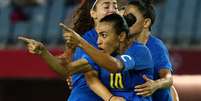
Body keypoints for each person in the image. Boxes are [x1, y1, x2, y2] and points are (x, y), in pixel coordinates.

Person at [123, 0, 176, 101]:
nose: (125, 22)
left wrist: (155, 85)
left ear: (146, 23)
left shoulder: (156, 46)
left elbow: (168, 79)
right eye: (124, 18)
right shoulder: (121, 45)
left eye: (129, 18)